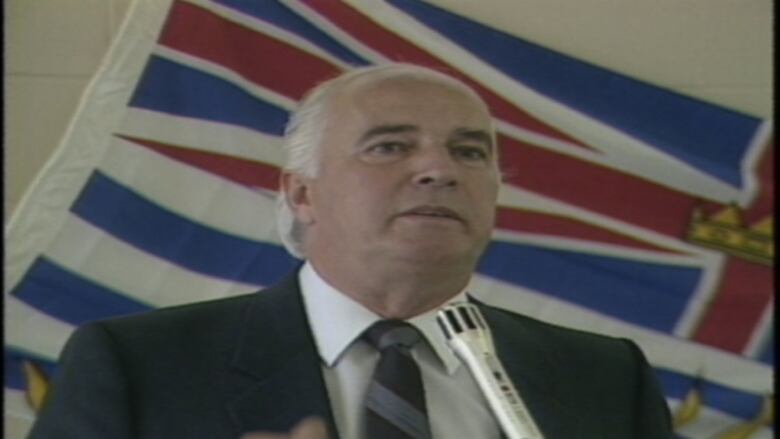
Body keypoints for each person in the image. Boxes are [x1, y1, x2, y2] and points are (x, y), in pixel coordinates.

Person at [29, 63, 673, 439]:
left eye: (470, 152)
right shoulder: (140, 366)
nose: (439, 171)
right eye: (390, 146)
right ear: (302, 193)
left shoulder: (604, 378)